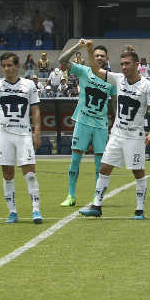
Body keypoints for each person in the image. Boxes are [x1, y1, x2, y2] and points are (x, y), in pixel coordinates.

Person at [79, 43, 150, 221]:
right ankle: (96, 206)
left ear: (136, 64)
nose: (123, 67)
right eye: (121, 64)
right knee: (104, 167)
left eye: (127, 64)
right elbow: (94, 69)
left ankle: (139, 209)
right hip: (117, 133)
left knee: (137, 171)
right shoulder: (117, 79)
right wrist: (90, 50)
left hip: (135, 135)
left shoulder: (148, 86)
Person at [0, 50, 43, 224]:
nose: (6, 69)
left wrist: (37, 132)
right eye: (4, 66)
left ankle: (36, 210)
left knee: (29, 173)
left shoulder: (29, 85)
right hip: (5, 135)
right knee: (7, 174)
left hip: (24, 134)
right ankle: (12, 212)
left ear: (17, 66)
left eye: (9, 65)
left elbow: (36, 110)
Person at [57, 40, 116, 207]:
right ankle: (71, 196)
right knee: (75, 160)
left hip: (101, 125)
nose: (99, 58)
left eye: (102, 56)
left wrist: (117, 122)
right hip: (83, 121)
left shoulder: (111, 79)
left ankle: (96, 197)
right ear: (92, 57)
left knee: (100, 164)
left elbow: (115, 104)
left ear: (107, 58)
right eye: (96, 55)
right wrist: (78, 47)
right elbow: (62, 61)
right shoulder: (83, 71)